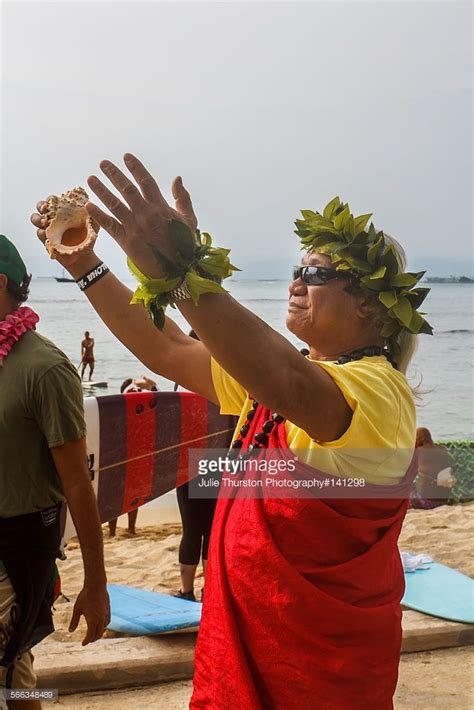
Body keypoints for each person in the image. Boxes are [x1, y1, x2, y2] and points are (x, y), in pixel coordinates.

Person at [31, 154, 433, 709]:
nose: (296, 280)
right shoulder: (276, 383)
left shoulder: (381, 392)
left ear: (369, 304)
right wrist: (85, 262)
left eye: (315, 273)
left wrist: (179, 268)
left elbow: (289, 382)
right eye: (297, 268)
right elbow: (167, 347)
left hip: (319, 679)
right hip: (236, 659)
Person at [0, 235, 110, 710]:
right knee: (17, 669)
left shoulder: (44, 369)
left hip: (18, 546)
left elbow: (78, 485)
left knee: (10, 657)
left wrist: (97, 582)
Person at [174, 330, 217, 603]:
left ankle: (186, 592)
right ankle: (209, 591)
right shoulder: (224, 381)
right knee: (211, 530)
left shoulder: (182, 383)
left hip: (188, 465)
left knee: (191, 530)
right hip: (219, 463)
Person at [107, 375, 159, 537]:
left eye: (138, 389)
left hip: (134, 460)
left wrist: (152, 387)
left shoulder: (142, 413)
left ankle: (130, 529)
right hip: (120, 460)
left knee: (132, 496)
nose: (136, 391)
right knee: (116, 498)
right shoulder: (118, 412)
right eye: (132, 389)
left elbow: (158, 403)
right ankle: (113, 532)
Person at [410, 427, 456, 510]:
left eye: (415, 437)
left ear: (422, 438)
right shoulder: (442, 450)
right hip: (444, 501)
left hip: (425, 502)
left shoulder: (418, 452)